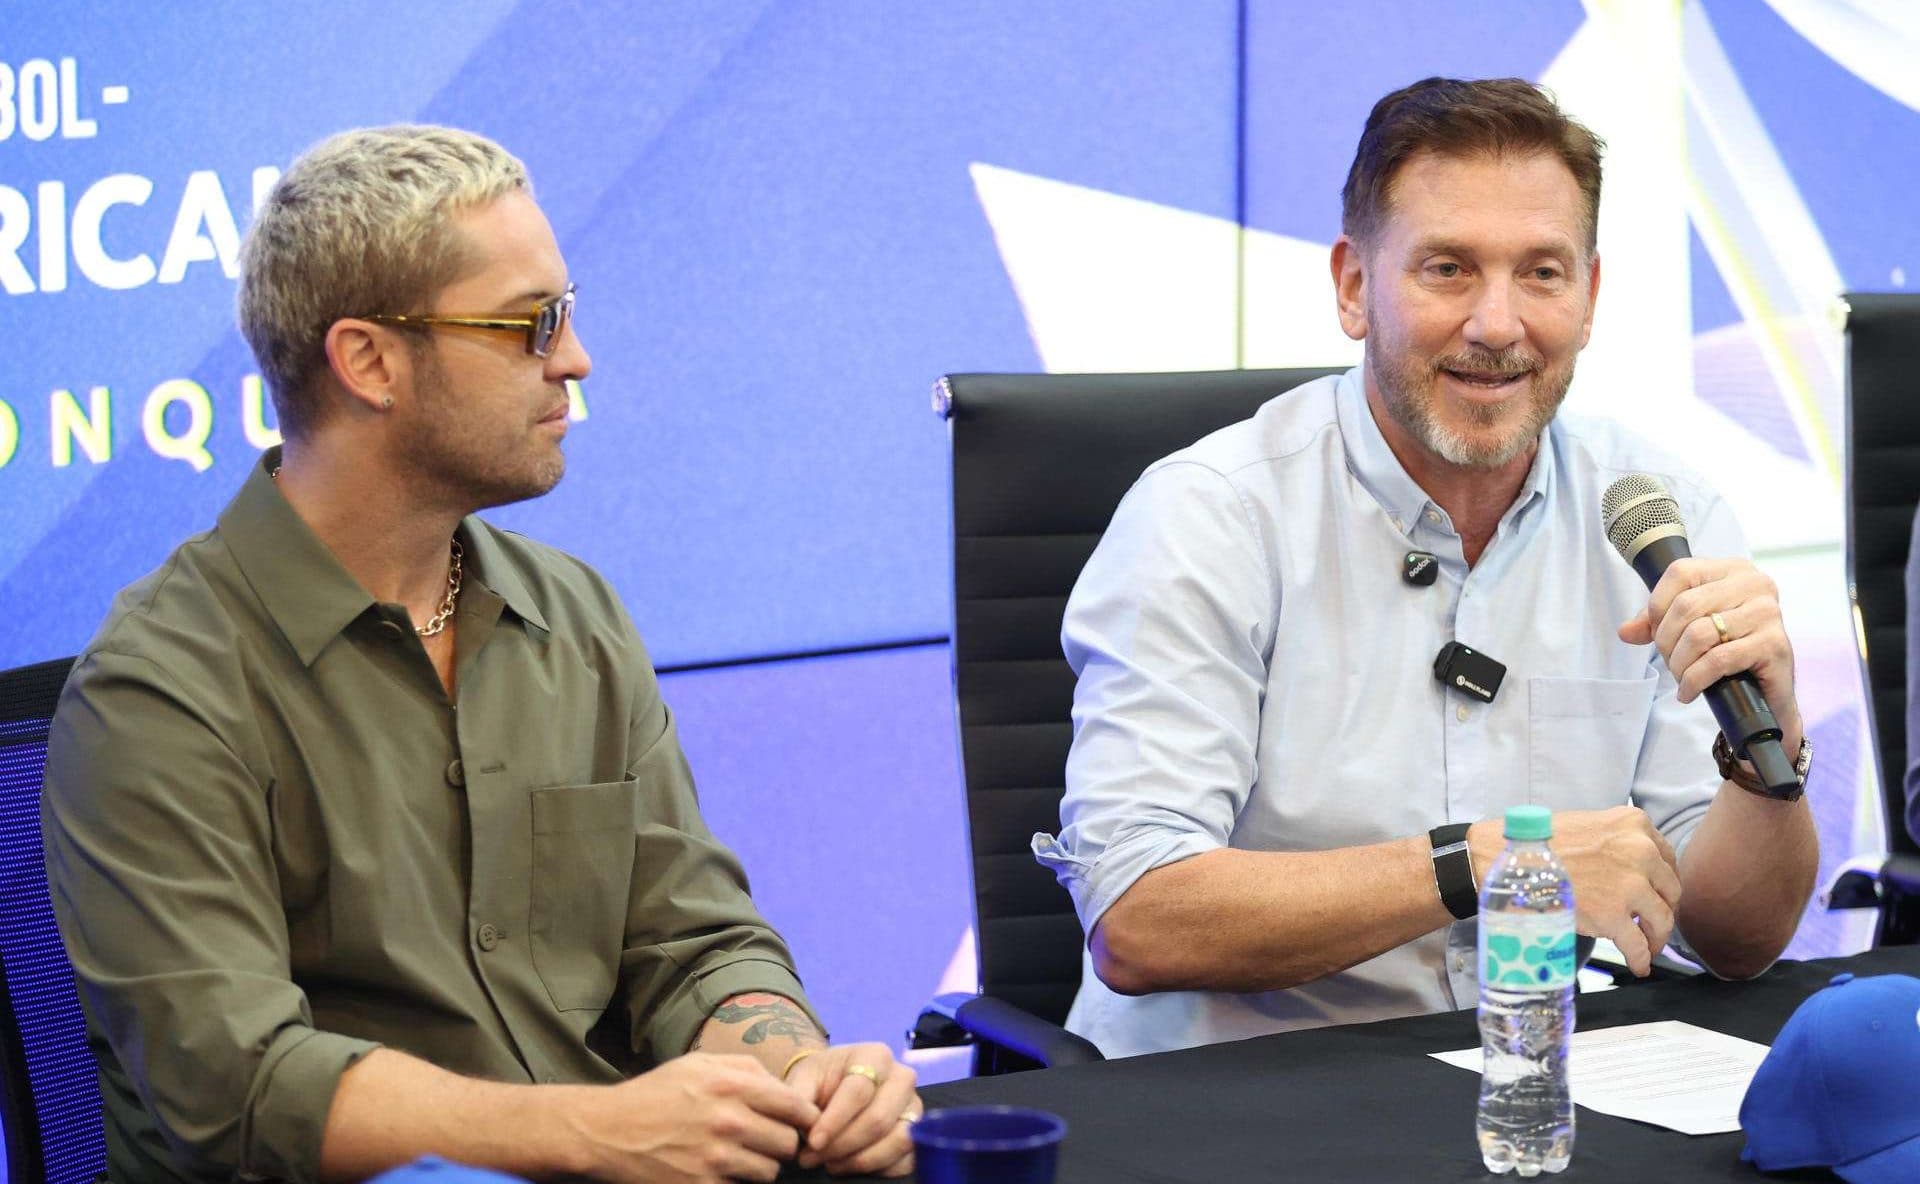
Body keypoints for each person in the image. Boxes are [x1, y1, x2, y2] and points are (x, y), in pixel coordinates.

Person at [43, 125, 918, 1183]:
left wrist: (802, 1075)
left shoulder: (573, 614)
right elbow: (241, 1089)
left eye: (567, 312)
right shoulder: (158, 689)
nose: (574, 359)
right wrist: (601, 1132)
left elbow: (696, 944)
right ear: (368, 361)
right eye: (530, 323)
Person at [1032, 77, 1820, 1058]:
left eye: (1541, 273)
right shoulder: (1209, 516)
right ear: (1354, 287)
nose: (1498, 325)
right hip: (1230, 1092)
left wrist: (1765, 756)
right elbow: (1139, 916)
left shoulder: (1664, 520)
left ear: (1589, 298)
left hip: (1523, 1080)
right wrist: (1476, 865)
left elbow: (1737, 942)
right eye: (1449, 269)